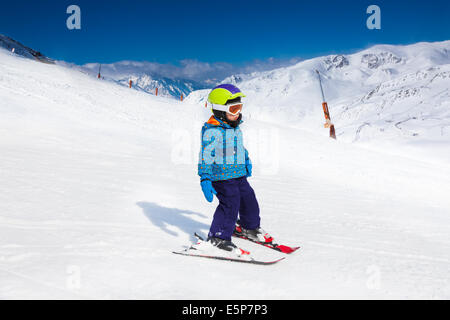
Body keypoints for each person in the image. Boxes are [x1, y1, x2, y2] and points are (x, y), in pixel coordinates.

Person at [197, 84, 272, 257]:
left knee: (248, 198)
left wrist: (246, 160)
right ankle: (218, 237)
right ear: (221, 110)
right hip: (221, 177)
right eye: (234, 108)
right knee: (231, 202)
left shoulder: (234, 127)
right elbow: (205, 156)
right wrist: (205, 178)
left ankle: (248, 227)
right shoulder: (212, 131)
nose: (238, 112)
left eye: (240, 107)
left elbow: (239, 148)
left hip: (238, 174)